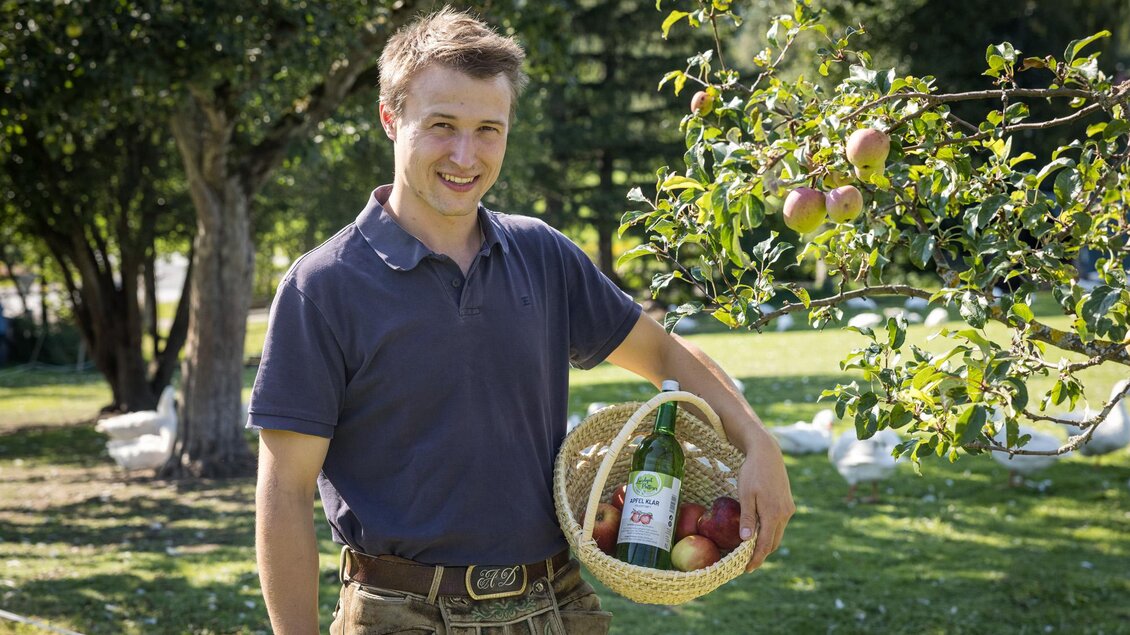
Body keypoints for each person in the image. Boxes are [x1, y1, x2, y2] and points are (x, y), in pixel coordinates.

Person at [248, 6, 794, 634]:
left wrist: (758, 443)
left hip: (555, 604)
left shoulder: (541, 253)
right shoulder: (324, 286)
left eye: (489, 129)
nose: (465, 154)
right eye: (442, 125)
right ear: (389, 119)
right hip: (402, 615)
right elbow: (284, 494)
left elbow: (667, 357)